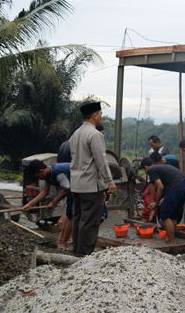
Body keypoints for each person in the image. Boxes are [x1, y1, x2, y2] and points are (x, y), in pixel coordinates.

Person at [69, 102, 116, 256]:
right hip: (90, 185)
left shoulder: (76, 134)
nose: (101, 117)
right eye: (101, 114)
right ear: (95, 115)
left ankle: (77, 251)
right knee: (90, 221)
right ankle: (85, 253)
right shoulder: (95, 135)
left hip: (77, 184)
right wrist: (109, 182)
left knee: (79, 219)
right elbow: (101, 161)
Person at [24, 160, 73, 250]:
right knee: (68, 213)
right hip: (72, 189)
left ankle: (63, 244)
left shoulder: (58, 173)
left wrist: (54, 202)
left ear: (41, 171)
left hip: (78, 188)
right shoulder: (47, 175)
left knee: (71, 216)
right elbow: (45, 192)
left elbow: (68, 189)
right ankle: (62, 238)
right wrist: (29, 204)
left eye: (37, 176)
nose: (39, 179)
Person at [141, 157, 185, 246]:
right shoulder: (159, 169)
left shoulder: (151, 170)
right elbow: (153, 185)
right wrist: (152, 202)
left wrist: (156, 203)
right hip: (183, 186)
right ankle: (170, 239)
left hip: (175, 187)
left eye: (144, 169)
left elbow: (161, 187)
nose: (145, 171)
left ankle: (171, 242)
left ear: (146, 167)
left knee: (165, 215)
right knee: (173, 215)